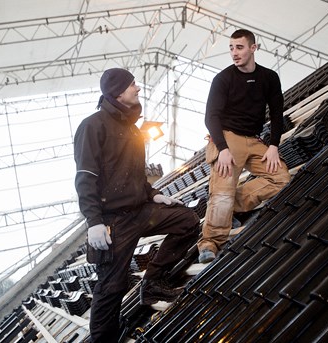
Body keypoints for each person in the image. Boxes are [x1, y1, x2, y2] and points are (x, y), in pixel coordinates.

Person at [74, 67, 200, 343]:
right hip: (113, 221)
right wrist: (94, 222)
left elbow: (134, 173)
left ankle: (153, 283)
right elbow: (85, 178)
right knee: (111, 288)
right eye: (133, 85)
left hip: (140, 210)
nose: (138, 89)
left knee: (186, 220)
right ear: (118, 91)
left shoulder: (131, 128)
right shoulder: (92, 126)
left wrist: (154, 194)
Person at [197, 29, 291, 263]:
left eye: (239, 47)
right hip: (228, 139)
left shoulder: (269, 77)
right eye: (231, 48)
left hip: (255, 139)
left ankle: (232, 208)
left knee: (280, 178)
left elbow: (278, 113)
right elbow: (211, 117)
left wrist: (273, 145)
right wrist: (223, 149)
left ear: (253, 48)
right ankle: (209, 243)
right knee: (221, 194)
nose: (234, 53)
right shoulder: (223, 78)